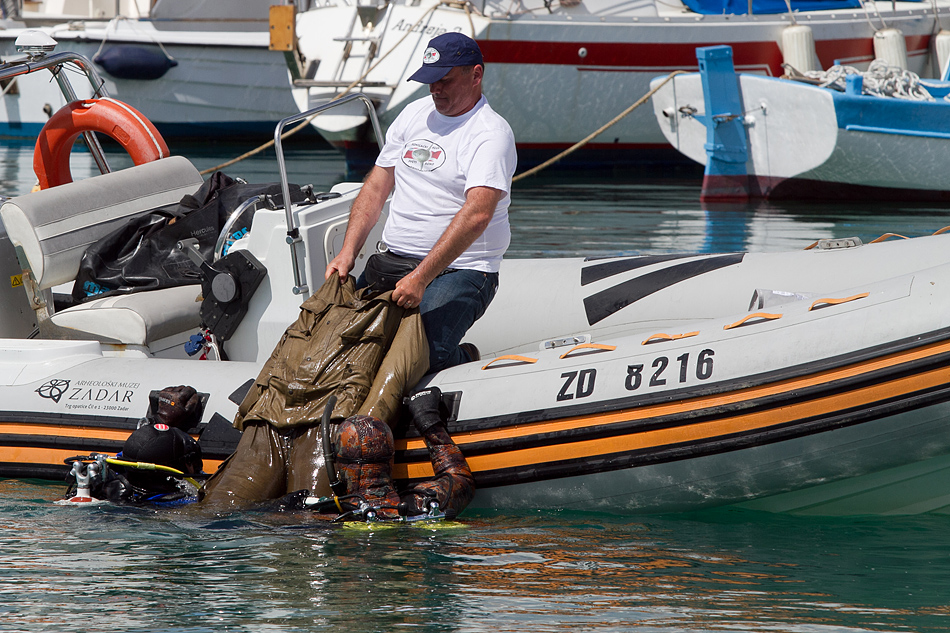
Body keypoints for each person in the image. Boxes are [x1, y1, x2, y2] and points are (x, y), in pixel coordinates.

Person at [325, 31, 517, 373]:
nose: (435, 90)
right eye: (429, 81)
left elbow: (478, 214)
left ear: (476, 75)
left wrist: (421, 278)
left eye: (444, 80)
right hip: (394, 258)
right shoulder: (414, 113)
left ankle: (466, 358)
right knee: (337, 347)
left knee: (420, 358)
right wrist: (347, 252)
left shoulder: (491, 134)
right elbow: (377, 185)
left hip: (462, 267)